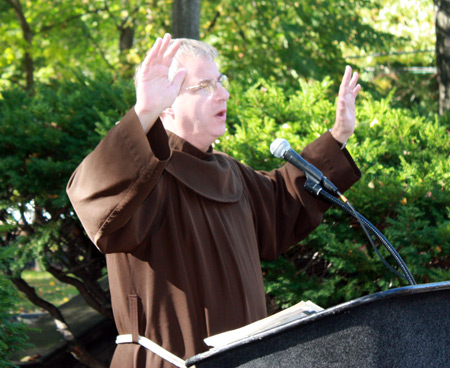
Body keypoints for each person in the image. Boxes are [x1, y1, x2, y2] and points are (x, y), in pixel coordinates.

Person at [67, 33, 361, 368]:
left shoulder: (229, 172)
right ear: (167, 104)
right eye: (205, 86)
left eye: (220, 82)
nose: (223, 94)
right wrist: (144, 111)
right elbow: (92, 196)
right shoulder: (143, 175)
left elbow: (284, 202)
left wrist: (338, 135)